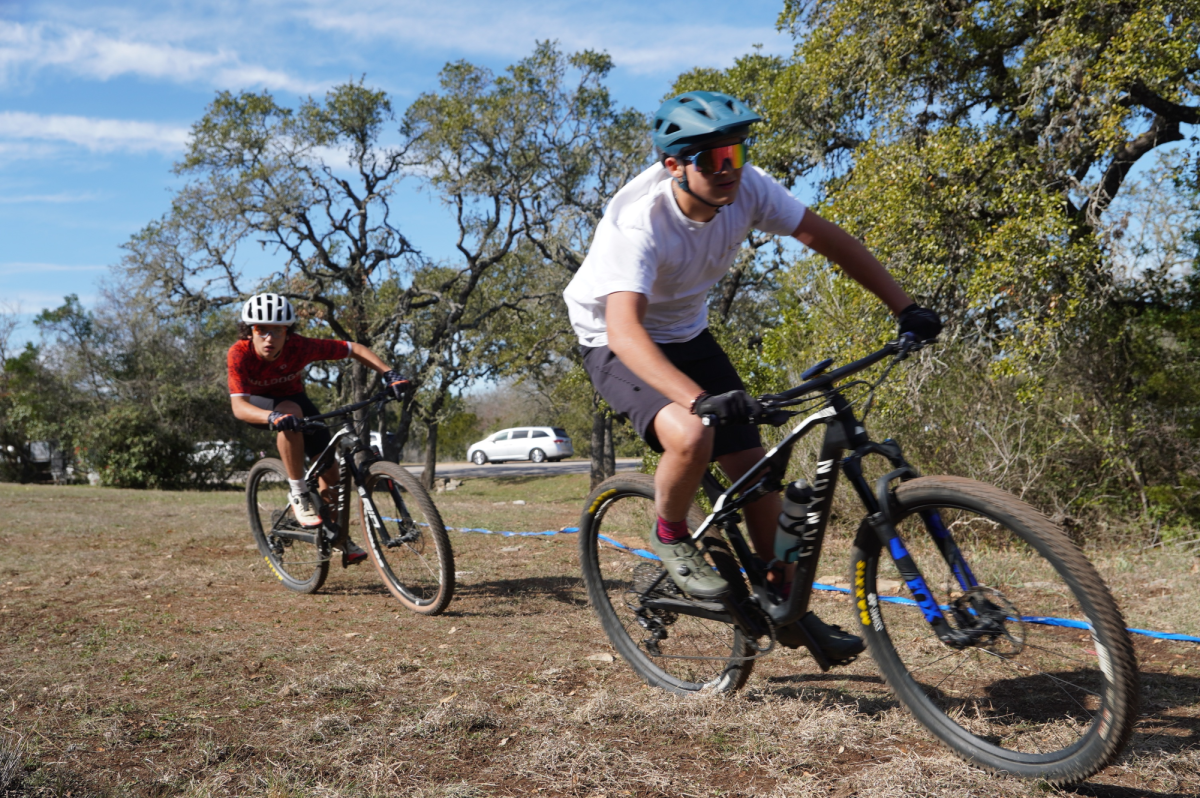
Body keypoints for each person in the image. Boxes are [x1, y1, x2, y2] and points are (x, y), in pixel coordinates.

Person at [563, 91, 942, 664]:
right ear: (674, 166)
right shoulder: (638, 224)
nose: (728, 170)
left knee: (759, 467)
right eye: (712, 160)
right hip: (615, 339)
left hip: (687, 333)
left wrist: (904, 307)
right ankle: (670, 532)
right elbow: (625, 332)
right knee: (692, 435)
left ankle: (784, 604)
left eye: (735, 155)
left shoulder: (750, 188)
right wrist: (697, 401)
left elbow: (827, 238)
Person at [227, 293, 410, 564]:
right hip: (258, 405)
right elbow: (239, 407)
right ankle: (299, 491)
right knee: (290, 412)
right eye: (261, 329)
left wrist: (389, 373)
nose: (269, 337)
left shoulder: (299, 347)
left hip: (296, 400)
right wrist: (273, 416)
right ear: (250, 330)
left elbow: (353, 348)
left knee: (330, 470)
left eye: (277, 330)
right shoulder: (239, 353)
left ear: (287, 332)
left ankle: (335, 534)